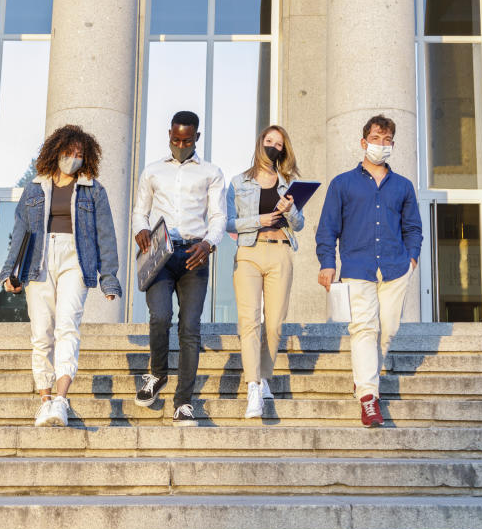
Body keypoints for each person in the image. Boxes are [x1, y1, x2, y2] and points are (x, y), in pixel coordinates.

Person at [1, 124, 121, 428]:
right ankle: (44, 401)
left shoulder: (94, 190)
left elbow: (105, 235)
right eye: (69, 152)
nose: (74, 159)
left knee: (68, 326)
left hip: (75, 259)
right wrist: (8, 272)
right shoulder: (35, 188)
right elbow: (20, 232)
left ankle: (61, 399)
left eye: (80, 154)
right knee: (41, 332)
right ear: (57, 152)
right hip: (38, 260)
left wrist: (108, 277)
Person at [315, 115, 422, 428]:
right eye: (377, 138)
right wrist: (327, 261)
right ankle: (368, 398)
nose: (382, 145)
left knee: (387, 329)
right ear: (364, 143)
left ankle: (363, 378)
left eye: (388, 140)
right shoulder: (342, 184)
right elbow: (327, 228)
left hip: (395, 267)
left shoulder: (403, 186)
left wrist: (412, 260)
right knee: (364, 329)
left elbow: (413, 227)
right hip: (357, 267)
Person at [131, 111, 226, 426]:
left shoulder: (211, 173)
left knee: (190, 328)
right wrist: (140, 229)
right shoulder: (153, 171)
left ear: (197, 138)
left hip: (194, 255)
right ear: (169, 135)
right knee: (159, 317)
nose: (180, 144)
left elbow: (218, 217)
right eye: (175, 139)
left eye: (186, 140)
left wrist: (208, 244)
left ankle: (183, 402)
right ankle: (157, 374)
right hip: (159, 253)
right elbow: (139, 211)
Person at [226, 125, 304, 419]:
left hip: (281, 252)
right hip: (249, 251)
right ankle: (253, 387)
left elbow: (299, 225)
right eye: (269, 140)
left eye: (279, 143)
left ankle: (264, 376)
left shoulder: (288, 183)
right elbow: (229, 223)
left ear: (284, 150)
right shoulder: (239, 182)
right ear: (260, 143)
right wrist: (258, 220)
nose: (273, 146)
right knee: (249, 321)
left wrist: (289, 210)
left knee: (274, 324)